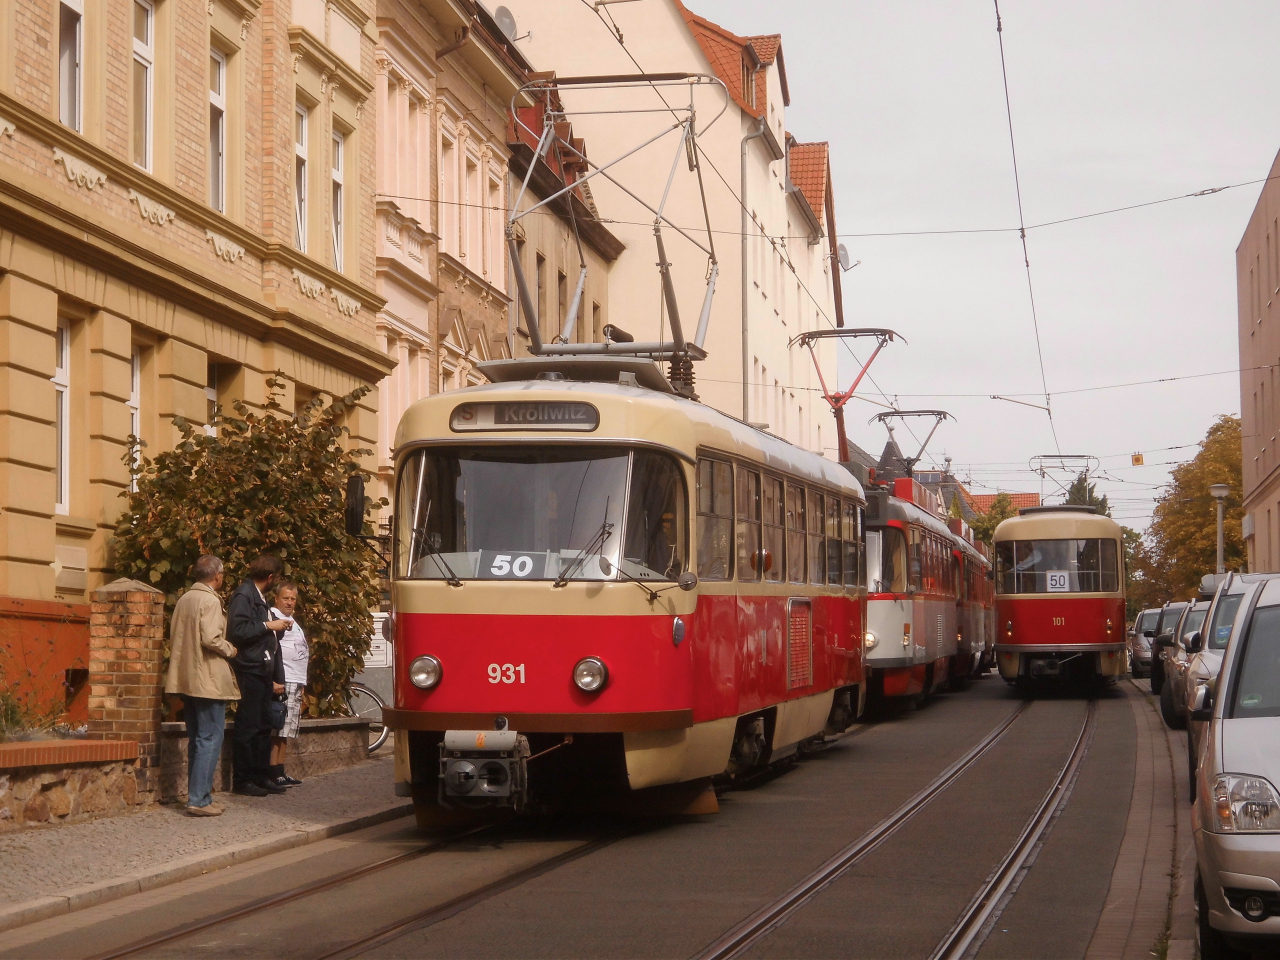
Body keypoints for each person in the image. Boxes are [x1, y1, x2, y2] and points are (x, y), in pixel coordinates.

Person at [164, 555, 239, 816]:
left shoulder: (185, 599)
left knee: (198, 738)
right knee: (210, 738)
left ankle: (201, 796)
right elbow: (211, 638)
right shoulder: (209, 600)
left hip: (186, 679)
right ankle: (198, 799)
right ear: (217, 576)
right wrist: (230, 649)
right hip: (207, 679)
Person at [227, 554, 291, 796]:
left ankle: (261, 775)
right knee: (249, 726)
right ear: (271, 577)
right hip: (250, 669)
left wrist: (277, 629)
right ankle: (243, 780)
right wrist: (268, 626)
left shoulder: (259, 597)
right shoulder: (244, 595)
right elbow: (238, 630)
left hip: (263, 670)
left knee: (264, 726)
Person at [267, 580, 307, 788]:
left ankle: (281, 769)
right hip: (284, 680)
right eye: (286, 598)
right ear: (276, 598)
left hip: (295, 680)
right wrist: (276, 679)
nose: (290, 602)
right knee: (279, 728)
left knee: (288, 730)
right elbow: (272, 649)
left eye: (293, 599)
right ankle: (273, 770)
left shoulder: (291, 620)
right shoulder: (274, 617)